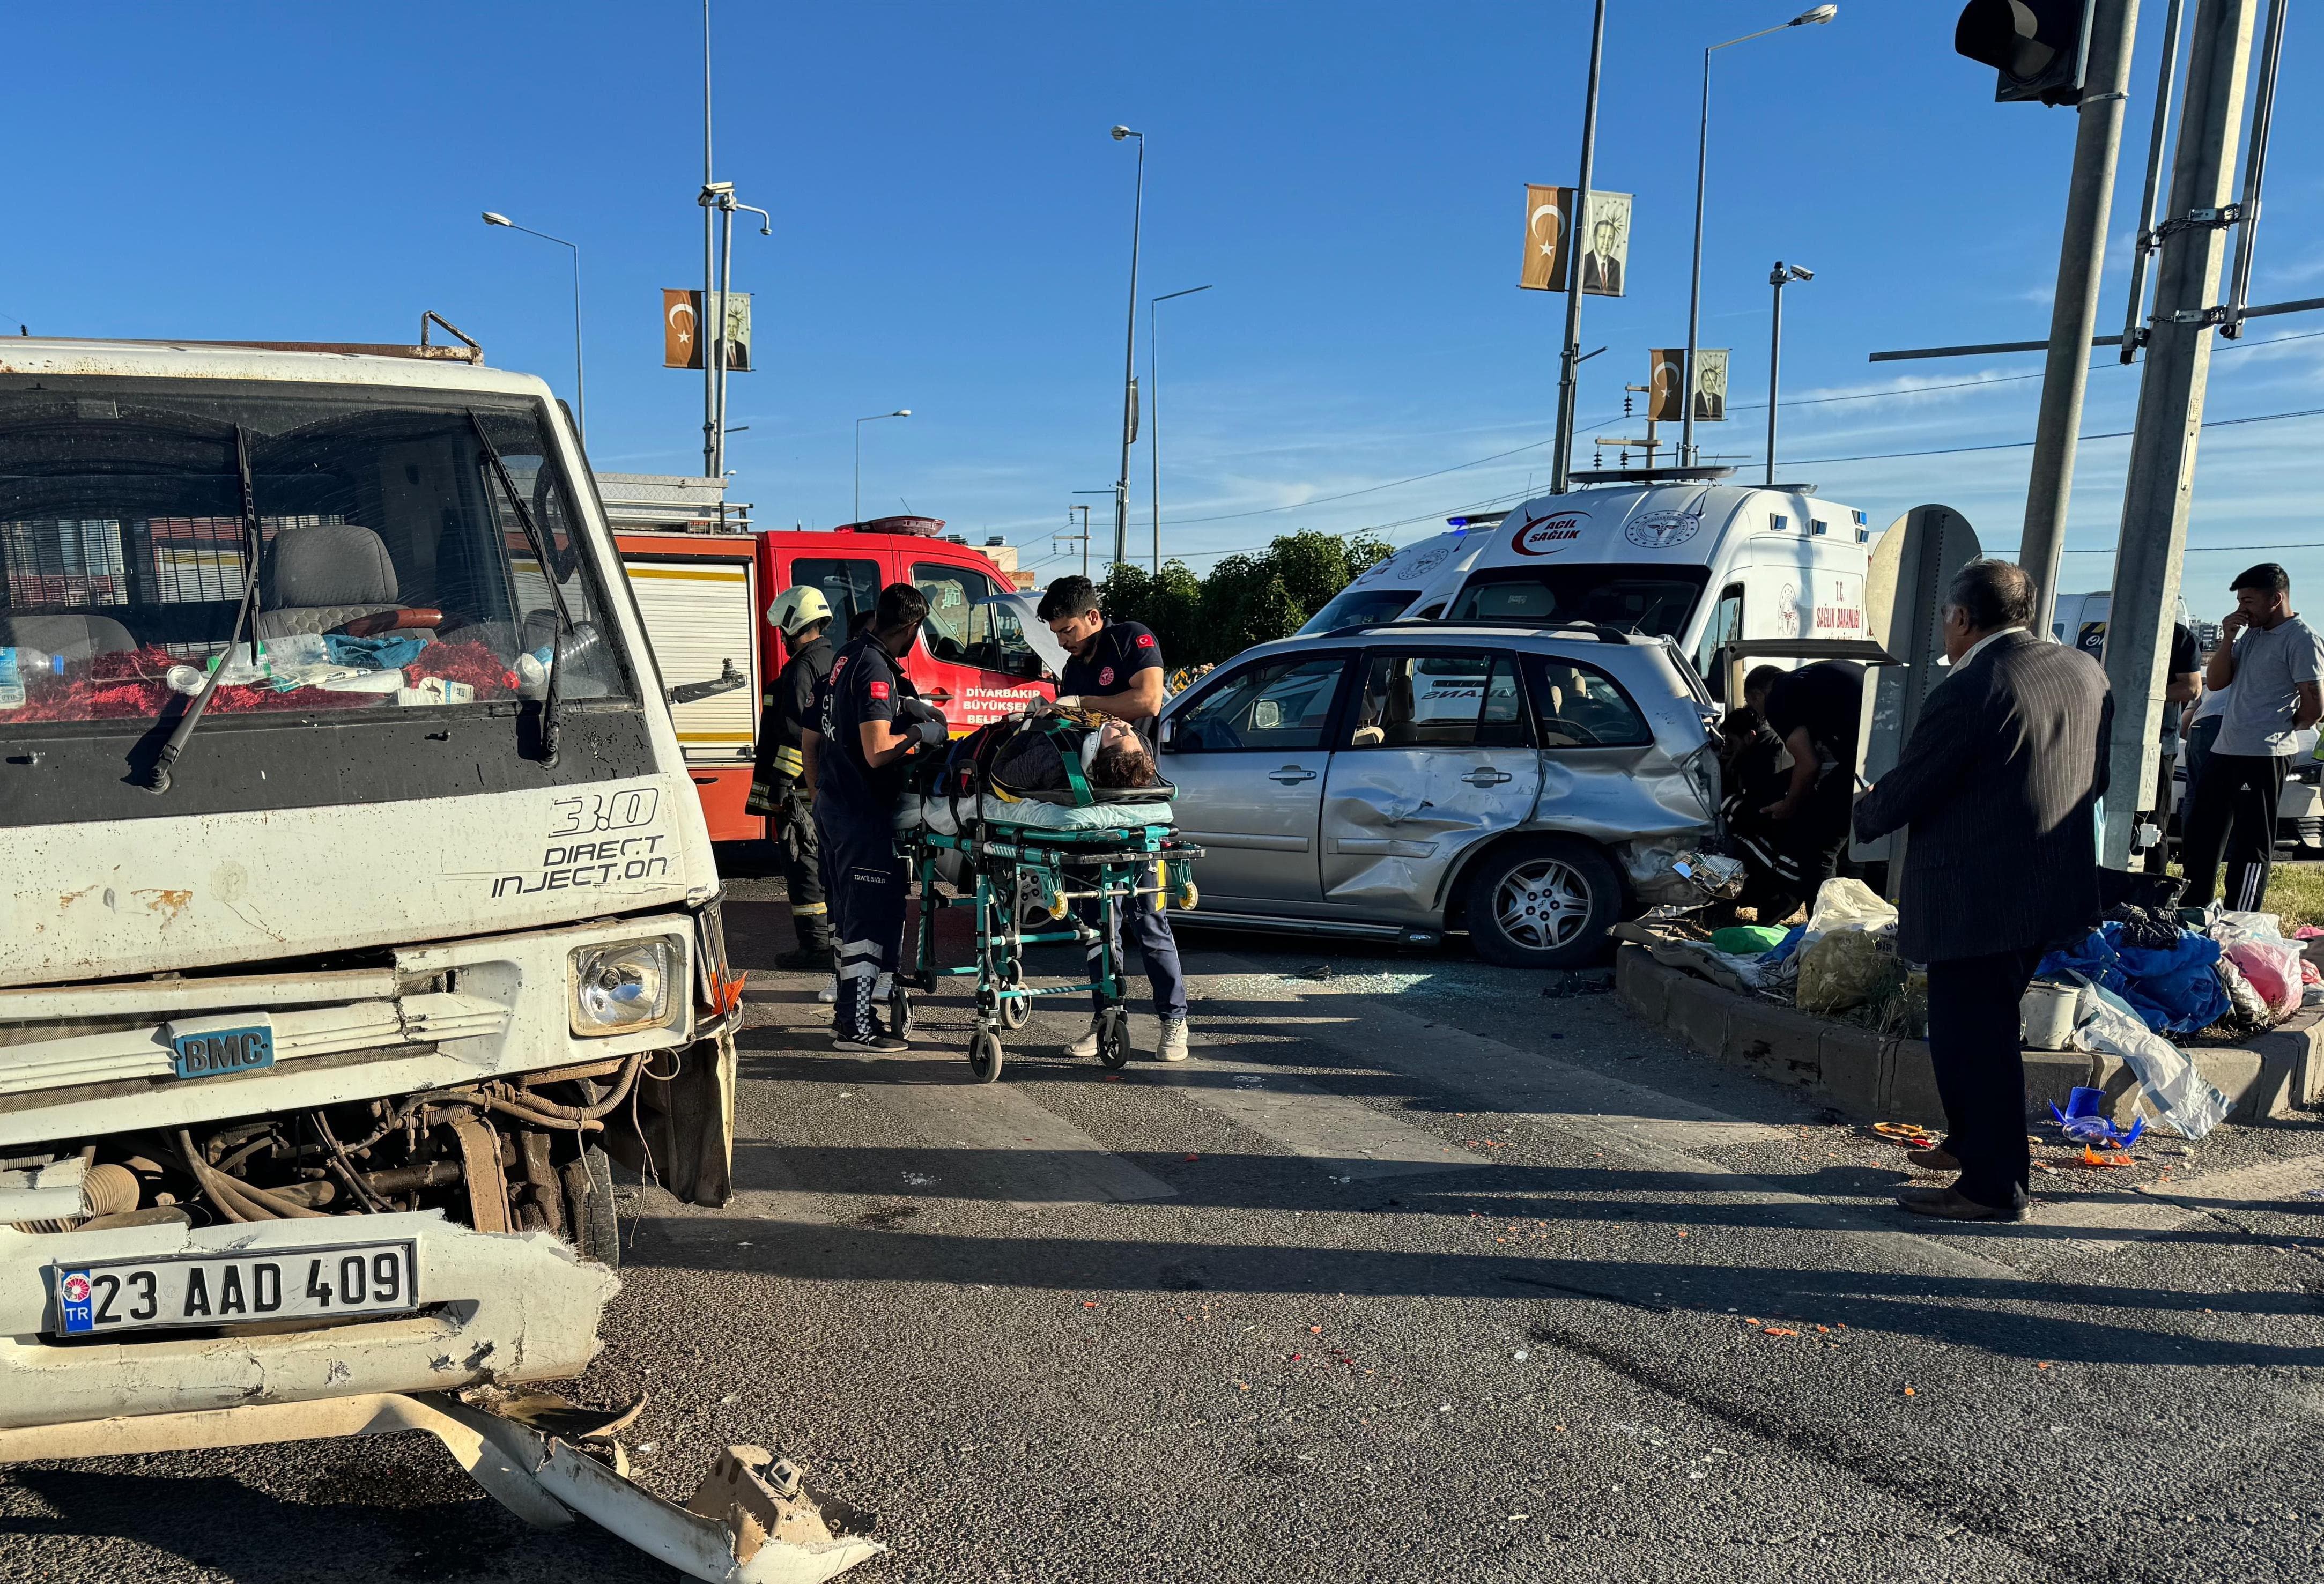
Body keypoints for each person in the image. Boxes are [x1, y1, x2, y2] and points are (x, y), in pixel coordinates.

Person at [1854, 559, 2111, 1223]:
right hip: (2048, 888)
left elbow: (1905, 794)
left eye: (1946, 616)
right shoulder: (2084, 671)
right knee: (1980, 1026)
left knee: (1975, 1037)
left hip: (1975, 898)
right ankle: (1971, 1142)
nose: (1945, 627)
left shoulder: (1971, 689)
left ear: (1962, 618)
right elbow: (2096, 776)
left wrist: (1863, 804)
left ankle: (1994, 1188)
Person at [1037, 575, 1188, 1062]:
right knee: (1100, 919)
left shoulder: (1132, 640)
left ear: (1094, 618)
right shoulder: (1072, 668)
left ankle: (1173, 1021)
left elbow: (1148, 700)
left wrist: (1083, 704)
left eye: (1068, 630)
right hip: (1090, 808)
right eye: (1058, 634)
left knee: (1149, 919)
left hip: (1137, 805)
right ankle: (1106, 1018)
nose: (1063, 641)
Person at [805, 582, 946, 1052]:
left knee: (852, 919)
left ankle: (851, 1015)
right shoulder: (874, 670)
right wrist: (922, 734)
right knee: (865, 922)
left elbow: (818, 735)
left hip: (836, 803)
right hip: (860, 810)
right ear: (911, 628)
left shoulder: (848, 655)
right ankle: (855, 1027)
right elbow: (877, 752)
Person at [2180, 565, 2323, 911]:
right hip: (2225, 747)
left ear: (2276, 599)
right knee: (2203, 833)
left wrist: (2290, 726)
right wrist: (2228, 638)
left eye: (2249, 600)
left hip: (2263, 754)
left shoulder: (2301, 638)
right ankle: (2194, 907)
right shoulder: (2252, 634)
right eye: (2239, 601)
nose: (2243, 609)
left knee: (2251, 841)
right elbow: (2216, 682)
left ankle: (2241, 913)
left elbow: (2315, 703)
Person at [746, 586, 837, 971]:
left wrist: (781, 789)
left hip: (801, 790)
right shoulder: (832, 659)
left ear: (793, 623)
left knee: (804, 869)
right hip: (827, 784)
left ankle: (815, 948)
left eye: (783, 630)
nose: (781, 639)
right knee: (824, 867)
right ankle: (829, 943)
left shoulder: (801, 668)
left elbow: (797, 736)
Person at [1735, 659, 1864, 922]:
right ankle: (1796, 899)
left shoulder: (1779, 699)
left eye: (1754, 706)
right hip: (1886, 746)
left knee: (1819, 847)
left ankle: (1826, 929)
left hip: (1866, 759)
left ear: (1759, 695)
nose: (1761, 717)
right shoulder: (1811, 677)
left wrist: (1789, 805)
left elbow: (1808, 764)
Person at [2075, 617, 2199, 874]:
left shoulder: (2177, 636)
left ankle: (2153, 895)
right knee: (2099, 817)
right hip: (2105, 739)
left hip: (2157, 745)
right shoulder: (2109, 631)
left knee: (2152, 827)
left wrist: (2141, 696)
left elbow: (2191, 687)